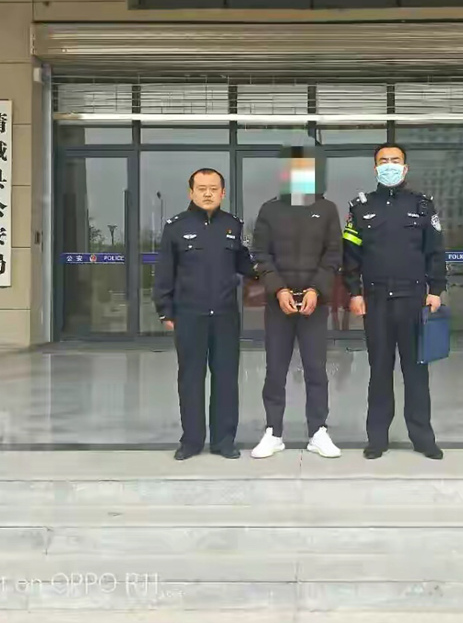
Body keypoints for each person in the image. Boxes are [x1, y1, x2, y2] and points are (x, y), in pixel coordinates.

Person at [342, 143, 445, 460]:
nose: (389, 165)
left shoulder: (422, 205)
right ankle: (377, 439)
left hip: (414, 300)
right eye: (383, 161)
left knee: (417, 374)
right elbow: (350, 255)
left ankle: (423, 438)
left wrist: (436, 289)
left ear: (405, 167)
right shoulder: (360, 207)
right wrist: (354, 292)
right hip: (376, 301)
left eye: (395, 160)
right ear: (375, 168)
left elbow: (435, 251)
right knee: (379, 372)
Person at [153, 168, 255, 461]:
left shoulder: (233, 226)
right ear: (191, 192)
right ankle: (191, 441)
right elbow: (164, 271)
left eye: (213, 189)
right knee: (190, 379)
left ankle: (224, 441)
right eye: (201, 188)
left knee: (226, 379)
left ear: (223, 193)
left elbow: (246, 265)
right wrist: (165, 309)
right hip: (189, 315)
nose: (207, 193)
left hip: (225, 315)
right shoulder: (175, 227)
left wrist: (273, 271)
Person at [250, 147, 342, 459]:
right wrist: (278, 290)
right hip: (279, 304)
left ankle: (318, 432)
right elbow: (260, 254)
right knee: (275, 370)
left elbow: (333, 254)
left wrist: (317, 289)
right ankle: (273, 432)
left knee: (316, 369)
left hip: (315, 304)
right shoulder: (270, 210)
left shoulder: (326, 209)